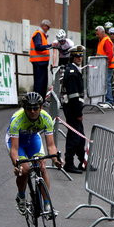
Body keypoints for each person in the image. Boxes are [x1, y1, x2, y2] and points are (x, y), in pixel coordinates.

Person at [7, 92, 63, 215]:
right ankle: (21, 196)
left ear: (41, 107)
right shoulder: (16, 120)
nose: (32, 111)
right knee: (25, 169)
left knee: (42, 166)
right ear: (24, 108)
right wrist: (17, 166)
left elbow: (51, 145)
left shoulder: (46, 118)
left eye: (35, 108)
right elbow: (15, 149)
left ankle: (47, 204)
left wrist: (55, 160)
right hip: (18, 143)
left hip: (33, 139)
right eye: (29, 108)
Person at [60, 45, 87, 174]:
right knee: (74, 137)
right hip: (72, 110)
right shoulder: (72, 72)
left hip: (74, 109)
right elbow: (74, 96)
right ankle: (69, 163)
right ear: (72, 57)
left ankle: (83, 161)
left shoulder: (75, 70)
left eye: (81, 56)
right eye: (77, 56)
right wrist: (78, 113)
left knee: (80, 137)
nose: (79, 58)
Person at [30, 19, 51, 98]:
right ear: (43, 26)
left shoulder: (41, 34)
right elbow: (38, 47)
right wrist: (49, 46)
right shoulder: (38, 34)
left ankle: (41, 99)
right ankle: (38, 99)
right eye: (47, 27)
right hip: (39, 62)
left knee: (42, 83)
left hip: (42, 62)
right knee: (39, 83)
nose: (48, 29)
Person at [95, 25, 114, 106]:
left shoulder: (106, 40)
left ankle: (109, 101)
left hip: (107, 66)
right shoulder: (102, 40)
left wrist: (107, 64)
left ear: (103, 32)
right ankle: (107, 100)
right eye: (96, 34)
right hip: (104, 65)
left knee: (107, 83)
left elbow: (109, 55)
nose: (97, 36)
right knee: (106, 82)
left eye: (98, 34)